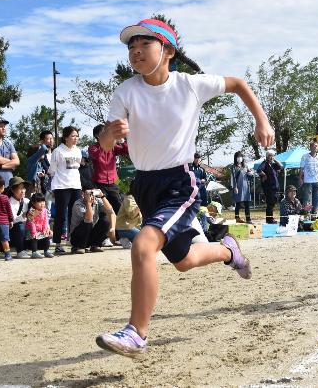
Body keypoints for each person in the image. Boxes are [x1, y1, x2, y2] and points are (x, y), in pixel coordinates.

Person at [95, 18, 274, 359]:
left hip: (180, 183)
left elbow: (237, 83)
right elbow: (104, 145)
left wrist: (261, 120)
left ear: (168, 51)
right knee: (185, 260)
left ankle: (136, 333)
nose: (135, 51)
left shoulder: (189, 85)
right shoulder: (126, 91)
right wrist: (110, 133)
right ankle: (228, 250)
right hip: (145, 185)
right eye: (130, 47)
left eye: (143, 45)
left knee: (144, 245)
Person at [48, 126, 83, 254]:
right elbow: (52, 170)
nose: (75, 138)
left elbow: (77, 167)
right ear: (66, 137)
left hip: (76, 186)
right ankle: (58, 243)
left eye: (77, 136)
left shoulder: (78, 151)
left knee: (76, 214)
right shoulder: (58, 151)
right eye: (73, 136)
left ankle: (74, 241)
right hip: (61, 186)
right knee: (60, 215)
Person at [89, 124, 129, 214]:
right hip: (99, 184)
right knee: (102, 209)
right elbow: (97, 155)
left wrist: (122, 141)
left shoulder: (113, 147)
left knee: (118, 207)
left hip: (113, 182)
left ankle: (118, 227)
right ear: (97, 136)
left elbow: (126, 150)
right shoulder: (93, 148)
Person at [69, 186, 114, 254]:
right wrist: (88, 203)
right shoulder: (78, 204)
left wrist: (102, 196)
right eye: (89, 194)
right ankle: (79, 247)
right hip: (76, 238)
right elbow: (88, 219)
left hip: (89, 236)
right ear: (82, 194)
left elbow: (110, 211)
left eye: (92, 193)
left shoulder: (97, 201)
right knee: (88, 223)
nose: (92, 196)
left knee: (106, 220)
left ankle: (95, 245)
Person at [24, 192, 54, 258]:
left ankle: (46, 251)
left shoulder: (44, 210)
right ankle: (34, 252)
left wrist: (45, 228)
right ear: (33, 203)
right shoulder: (32, 211)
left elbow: (46, 220)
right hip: (31, 230)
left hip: (40, 229)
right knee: (34, 236)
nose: (42, 203)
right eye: (39, 202)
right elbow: (31, 223)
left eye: (43, 201)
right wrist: (34, 232)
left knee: (46, 235)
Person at [256, 149, 282, 224]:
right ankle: (269, 219)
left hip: (274, 187)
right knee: (270, 203)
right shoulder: (265, 163)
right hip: (268, 187)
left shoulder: (273, 165)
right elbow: (259, 170)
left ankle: (270, 218)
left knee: (273, 203)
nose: (271, 157)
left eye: (273, 156)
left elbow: (280, 166)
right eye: (270, 156)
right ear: (267, 156)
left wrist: (275, 159)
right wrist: (264, 175)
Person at [7, 177, 30, 258]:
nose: (23, 191)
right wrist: (23, 216)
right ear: (13, 190)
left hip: (26, 231)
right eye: (20, 188)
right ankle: (20, 251)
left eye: (23, 188)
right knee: (20, 226)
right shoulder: (9, 202)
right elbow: (12, 221)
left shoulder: (27, 201)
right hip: (13, 232)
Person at [299, 141, 318, 215]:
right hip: (307, 181)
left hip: (317, 180)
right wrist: (300, 178)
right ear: (310, 147)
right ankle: (306, 214)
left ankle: (314, 214)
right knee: (307, 199)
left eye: (316, 146)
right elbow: (301, 168)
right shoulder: (305, 156)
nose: (315, 147)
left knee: (317, 199)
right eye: (313, 146)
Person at [26, 130, 54, 196]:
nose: (51, 141)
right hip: (39, 188)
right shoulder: (34, 161)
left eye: (52, 138)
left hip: (52, 187)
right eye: (48, 139)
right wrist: (41, 146)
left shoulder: (55, 154)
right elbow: (43, 149)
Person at [231, 151, 254, 224]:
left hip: (246, 187)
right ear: (235, 158)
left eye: (240, 157)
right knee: (238, 203)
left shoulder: (245, 166)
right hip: (238, 187)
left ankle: (248, 218)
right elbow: (233, 178)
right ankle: (237, 218)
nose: (239, 158)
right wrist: (235, 187)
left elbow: (249, 174)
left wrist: (250, 173)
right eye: (238, 157)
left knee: (247, 203)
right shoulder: (233, 167)